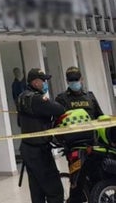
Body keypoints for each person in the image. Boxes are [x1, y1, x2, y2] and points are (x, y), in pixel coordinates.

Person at [17, 68, 66, 203]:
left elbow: (19, 122)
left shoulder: (22, 97)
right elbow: (59, 109)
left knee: (37, 191)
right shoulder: (37, 99)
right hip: (39, 151)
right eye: (43, 80)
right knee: (55, 190)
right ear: (35, 82)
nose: (45, 83)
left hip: (27, 149)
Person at [55, 66, 103, 203]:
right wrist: (63, 142)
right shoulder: (61, 99)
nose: (74, 83)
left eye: (76, 80)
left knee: (97, 178)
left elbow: (100, 116)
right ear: (67, 81)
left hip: (93, 144)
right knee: (77, 182)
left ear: (81, 79)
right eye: (71, 80)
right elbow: (57, 123)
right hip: (74, 148)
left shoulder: (90, 97)